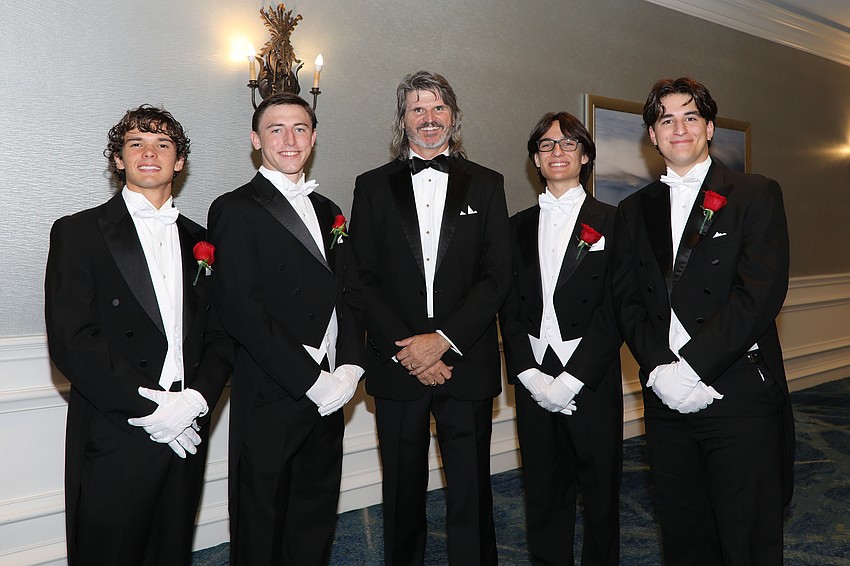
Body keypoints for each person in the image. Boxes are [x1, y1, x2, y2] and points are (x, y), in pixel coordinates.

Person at [612, 77, 794, 564]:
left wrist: (692, 367)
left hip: (736, 391)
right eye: (665, 119)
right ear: (652, 135)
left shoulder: (755, 193)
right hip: (665, 392)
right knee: (684, 532)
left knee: (747, 537)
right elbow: (626, 299)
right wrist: (658, 370)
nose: (679, 128)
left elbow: (760, 293)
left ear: (710, 128)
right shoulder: (633, 209)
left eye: (690, 117)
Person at [45, 105, 235, 565]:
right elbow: (74, 340)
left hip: (187, 427)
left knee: (170, 552)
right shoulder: (78, 232)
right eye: (137, 143)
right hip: (119, 427)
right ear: (118, 159)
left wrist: (194, 402)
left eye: (163, 144)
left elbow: (222, 334)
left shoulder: (201, 241)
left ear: (179, 161)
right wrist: (153, 408)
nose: (150, 152)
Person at [348, 70, 511, 565]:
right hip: (398, 364)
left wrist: (441, 341)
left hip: (465, 360)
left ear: (454, 117)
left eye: (438, 108)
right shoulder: (372, 186)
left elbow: (497, 277)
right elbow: (361, 280)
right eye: (417, 108)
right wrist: (412, 349)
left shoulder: (487, 184)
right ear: (402, 120)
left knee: (470, 491)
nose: (429, 118)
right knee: (401, 493)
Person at [208, 92, 365, 566]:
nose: (289, 138)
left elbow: (349, 292)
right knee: (262, 518)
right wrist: (311, 380)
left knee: (314, 512)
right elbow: (241, 309)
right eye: (276, 129)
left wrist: (351, 367)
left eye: (300, 128)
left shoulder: (328, 207)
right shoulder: (234, 208)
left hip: (332, 386)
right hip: (277, 388)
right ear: (256, 141)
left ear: (313, 138)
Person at [499, 112, 623, 565]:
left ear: (585, 156)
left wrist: (573, 380)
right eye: (547, 145)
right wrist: (529, 373)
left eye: (568, 144)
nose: (557, 152)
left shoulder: (615, 220)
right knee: (543, 491)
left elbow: (617, 309)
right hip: (534, 375)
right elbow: (506, 305)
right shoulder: (513, 226)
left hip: (590, 374)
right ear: (535, 157)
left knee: (601, 494)